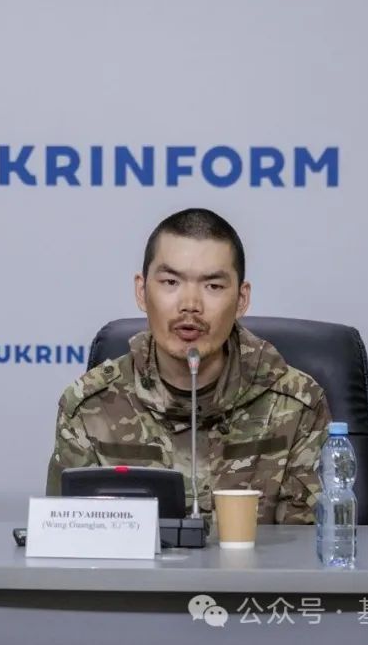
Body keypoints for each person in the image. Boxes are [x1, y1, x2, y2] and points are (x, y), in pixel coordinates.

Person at [46, 208, 330, 524]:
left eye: (213, 286)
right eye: (171, 282)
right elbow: (68, 540)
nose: (190, 305)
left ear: (241, 299)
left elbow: (306, 547)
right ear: (142, 291)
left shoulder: (297, 404)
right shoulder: (88, 408)